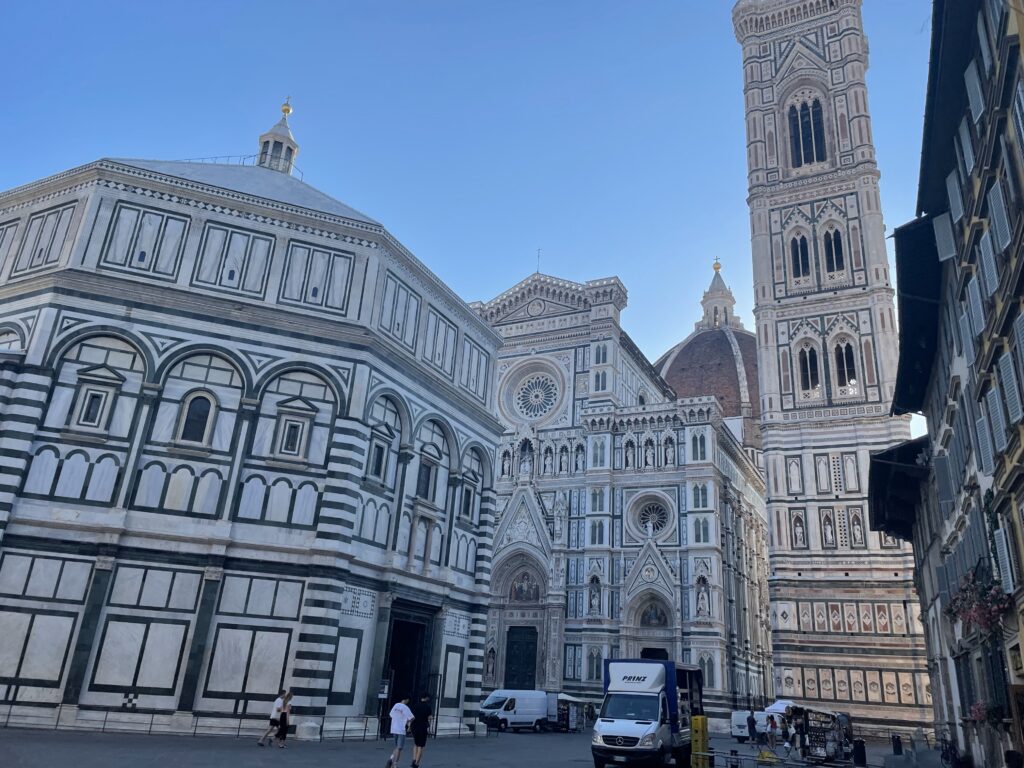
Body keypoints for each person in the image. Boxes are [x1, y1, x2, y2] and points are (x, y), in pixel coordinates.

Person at [386, 695, 414, 768]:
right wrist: (408, 724)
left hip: (394, 728)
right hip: (401, 729)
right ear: (407, 699)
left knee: (396, 746)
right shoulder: (405, 707)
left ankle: (391, 758)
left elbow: (391, 714)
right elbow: (412, 717)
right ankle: (394, 764)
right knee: (399, 748)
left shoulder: (396, 705)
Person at [410, 693, 432, 768]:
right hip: (422, 727)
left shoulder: (415, 705)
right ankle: (416, 763)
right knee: (420, 746)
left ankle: (413, 759)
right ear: (426, 698)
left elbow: (411, 716)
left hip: (414, 726)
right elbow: (430, 717)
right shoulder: (427, 707)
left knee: (416, 744)